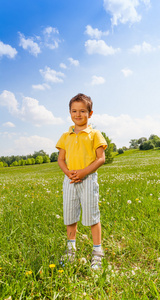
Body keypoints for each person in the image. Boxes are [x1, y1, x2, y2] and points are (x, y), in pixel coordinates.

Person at [56, 93, 107, 269]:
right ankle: (70, 250)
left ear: (90, 113)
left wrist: (84, 172)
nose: (78, 114)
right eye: (74, 111)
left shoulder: (94, 134)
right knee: (70, 215)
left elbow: (101, 158)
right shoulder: (65, 136)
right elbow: (61, 159)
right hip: (70, 180)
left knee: (92, 215)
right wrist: (68, 173)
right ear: (70, 113)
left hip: (88, 179)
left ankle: (97, 252)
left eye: (83, 111)